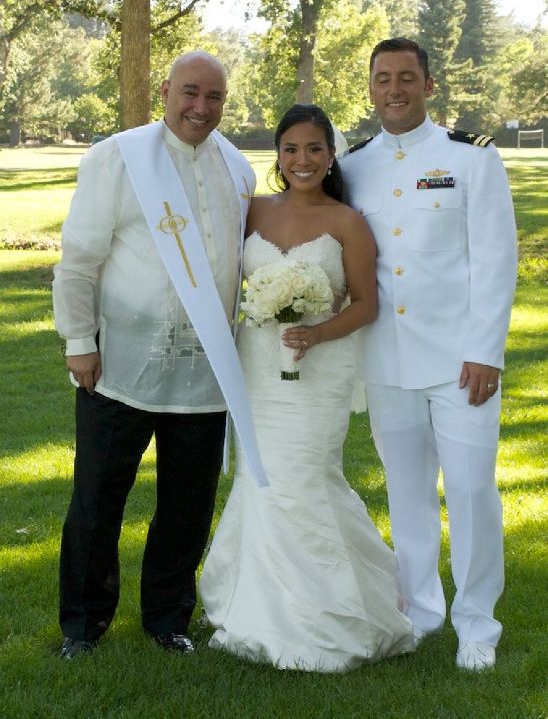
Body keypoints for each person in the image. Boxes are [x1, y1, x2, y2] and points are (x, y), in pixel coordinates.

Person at [52, 51, 266, 659]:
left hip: (203, 374)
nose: (201, 108)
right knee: (97, 500)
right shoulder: (118, 157)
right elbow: (80, 259)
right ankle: (83, 626)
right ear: (166, 91)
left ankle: (168, 618)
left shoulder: (237, 169)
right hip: (119, 364)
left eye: (215, 97)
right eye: (190, 93)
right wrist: (79, 343)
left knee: (187, 504)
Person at [199, 104, 415, 672]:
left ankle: (334, 610)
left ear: (331, 155)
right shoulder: (251, 212)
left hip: (321, 367)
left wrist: (317, 333)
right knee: (261, 476)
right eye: (292, 149)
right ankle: (257, 606)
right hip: (258, 368)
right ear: (278, 154)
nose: (303, 160)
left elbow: (367, 304)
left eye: (314, 149)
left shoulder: (348, 221)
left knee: (305, 474)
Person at [339, 38, 518, 671]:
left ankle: (476, 625)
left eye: (407, 78)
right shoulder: (353, 165)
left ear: (428, 85)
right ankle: (419, 612)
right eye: (383, 78)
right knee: (407, 495)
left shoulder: (471, 160)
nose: (395, 88)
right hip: (389, 361)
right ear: (370, 87)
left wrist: (486, 351)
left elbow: (497, 259)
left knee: (470, 491)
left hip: (461, 360)